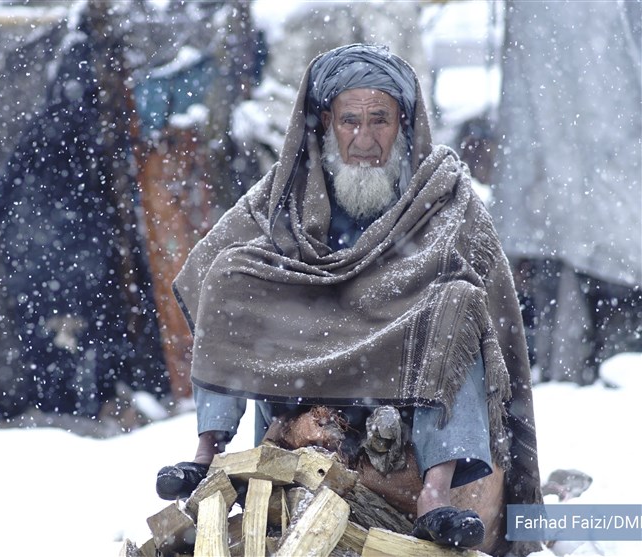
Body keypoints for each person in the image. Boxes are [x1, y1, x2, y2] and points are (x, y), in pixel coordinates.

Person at [156, 44, 542, 553]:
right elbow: (211, 260)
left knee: (457, 303)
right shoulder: (287, 188)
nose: (365, 140)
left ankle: (435, 491)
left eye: (379, 121)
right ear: (325, 124)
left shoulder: (443, 189)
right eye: (350, 121)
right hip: (304, 362)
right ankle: (208, 456)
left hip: (401, 373)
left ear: (403, 122)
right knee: (233, 276)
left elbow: (493, 296)